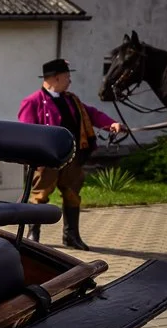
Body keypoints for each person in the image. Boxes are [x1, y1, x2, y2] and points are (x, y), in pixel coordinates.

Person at [18, 58, 123, 250]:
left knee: (73, 195)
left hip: (72, 157)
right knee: (39, 196)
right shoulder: (32, 102)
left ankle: (71, 236)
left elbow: (92, 114)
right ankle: (33, 235)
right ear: (55, 78)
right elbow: (26, 133)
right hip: (47, 160)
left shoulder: (71, 99)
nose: (70, 80)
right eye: (67, 76)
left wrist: (111, 124)